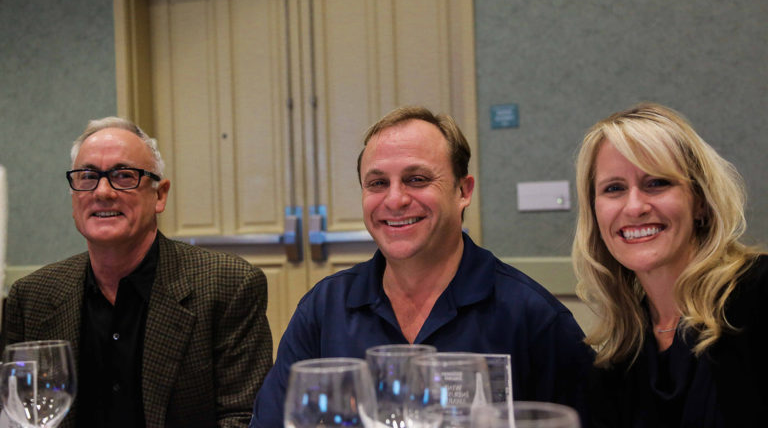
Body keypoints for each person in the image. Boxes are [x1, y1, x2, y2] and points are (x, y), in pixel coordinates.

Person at [249, 106, 593, 427]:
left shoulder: (532, 317)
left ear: (463, 190)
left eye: (417, 179)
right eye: (378, 183)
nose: (395, 199)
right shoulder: (324, 310)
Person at [2, 117, 273, 428]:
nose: (103, 191)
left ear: (159, 195)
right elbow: (16, 417)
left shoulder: (228, 286)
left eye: (124, 176)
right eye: (88, 176)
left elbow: (244, 419)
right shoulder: (32, 296)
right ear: (74, 196)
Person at [572, 103, 768, 427]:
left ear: (701, 202)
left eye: (657, 183)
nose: (634, 207)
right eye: (614, 188)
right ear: (595, 213)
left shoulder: (758, 294)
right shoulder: (623, 351)